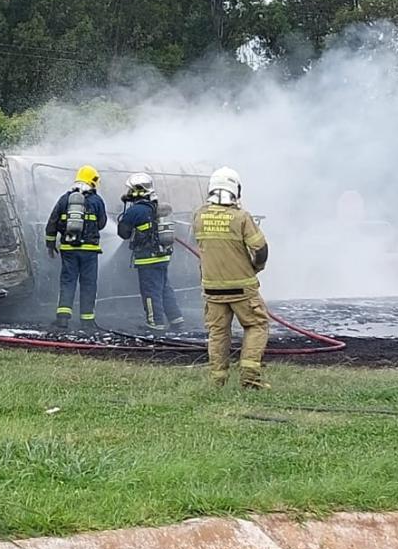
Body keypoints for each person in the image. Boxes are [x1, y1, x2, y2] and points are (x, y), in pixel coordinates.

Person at [191, 167, 271, 390]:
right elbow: (261, 249)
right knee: (256, 325)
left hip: (212, 289)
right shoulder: (241, 218)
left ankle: (218, 380)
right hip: (242, 288)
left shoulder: (199, 216)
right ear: (235, 189)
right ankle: (250, 378)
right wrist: (257, 267)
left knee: (217, 332)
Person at [116, 172, 186, 332]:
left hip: (147, 259)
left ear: (137, 191)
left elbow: (123, 233)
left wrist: (125, 214)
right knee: (164, 289)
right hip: (162, 256)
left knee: (150, 292)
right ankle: (176, 320)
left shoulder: (135, 211)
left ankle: (155, 323)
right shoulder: (155, 206)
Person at [44, 165, 107, 331]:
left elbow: (52, 223)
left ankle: (63, 319)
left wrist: (50, 244)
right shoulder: (97, 200)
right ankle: (87, 320)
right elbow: (102, 223)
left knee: (67, 282)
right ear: (93, 181)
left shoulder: (65, 199)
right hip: (90, 251)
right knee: (88, 284)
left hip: (68, 250)